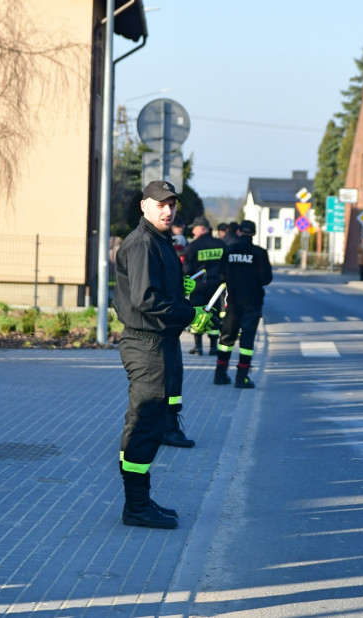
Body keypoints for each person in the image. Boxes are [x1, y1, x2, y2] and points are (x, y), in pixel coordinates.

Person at [113, 180, 211, 529]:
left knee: (151, 423)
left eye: (171, 204)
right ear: (144, 206)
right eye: (159, 204)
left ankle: (140, 500)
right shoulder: (142, 244)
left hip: (159, 342)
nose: (167, 210)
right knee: (144, 423)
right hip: (146, 343)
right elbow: (144, 300)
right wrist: (190, 314)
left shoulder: (160, 241)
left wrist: (178, 290)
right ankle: (135, 506)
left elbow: (156, 291)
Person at [213, 220, 273, 389]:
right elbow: (266, 279)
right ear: (253, 234)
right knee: (247, 340)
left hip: (231, 301)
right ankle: (242, 377)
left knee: (226, 337)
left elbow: (220, 274)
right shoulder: (259, 253)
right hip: (252, 302)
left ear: (239, 231)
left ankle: (220, 374)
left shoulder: (229, 250)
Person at [183, 216, 224, 357]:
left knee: (197, 314)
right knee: (214, 314)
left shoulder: (193, 246)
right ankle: (213, 348)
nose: (193, 232)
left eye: (194, 229)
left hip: (198, 285)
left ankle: (198, 347)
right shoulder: (220, 244)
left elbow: (187, 268)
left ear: (203, 229)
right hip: (216, 286)